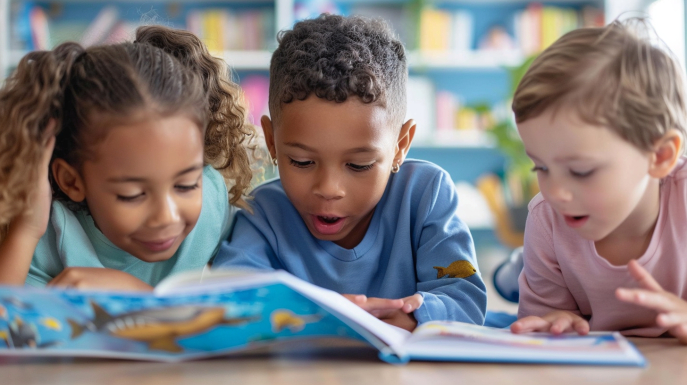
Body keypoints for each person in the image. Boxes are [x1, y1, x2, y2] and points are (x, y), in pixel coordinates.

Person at [213, 14, 487, 331]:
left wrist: (415, 318)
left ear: (400, 145)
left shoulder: (425, 195)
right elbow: (230, 301)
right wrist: (323, 314)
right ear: (272, 143)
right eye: (302, 161)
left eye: (359, 165)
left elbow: (464, 299)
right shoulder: (262, 214)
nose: (329, 189)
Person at [0, 25, 257, 291]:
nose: (166, 217)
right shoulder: (45, 237)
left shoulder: (213, 206)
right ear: (71, 181)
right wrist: (26, 230)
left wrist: (134, 294)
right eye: (132, 195)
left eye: (186, 185)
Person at [508, 19, 687, 343]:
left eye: (581, 171)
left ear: (659, 156)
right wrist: (556, 322)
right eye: (541, 168)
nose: (556, 193)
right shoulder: (546, 219)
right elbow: (539, 323)